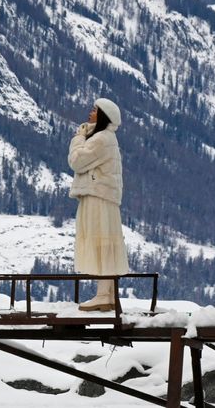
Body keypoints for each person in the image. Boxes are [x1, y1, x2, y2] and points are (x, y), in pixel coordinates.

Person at [68, 98, 129, 311]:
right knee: (106, 241)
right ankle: (109, 294)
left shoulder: (101, 139)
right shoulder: (107, 138)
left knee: (98, 239)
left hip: (97, 196)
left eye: (95, 110)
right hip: (105, 196)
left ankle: (103, 295)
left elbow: (76, 161)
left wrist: (78, 137)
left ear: (102, 115)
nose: (90, 112)